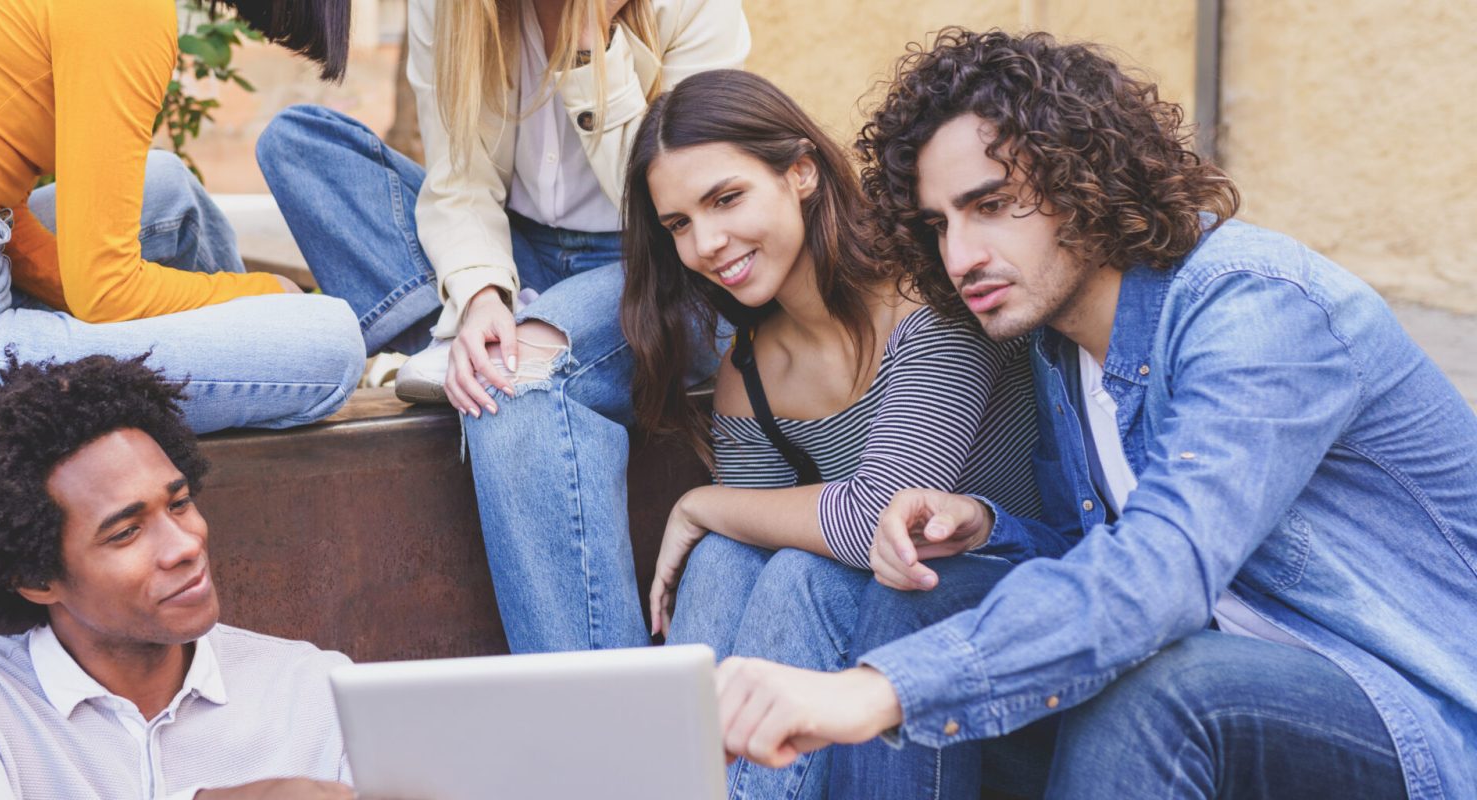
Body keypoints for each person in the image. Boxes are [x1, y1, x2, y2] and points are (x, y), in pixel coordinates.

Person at [710, 29, 1477, 799]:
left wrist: (873, 692)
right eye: (940, 224)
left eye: (994, 205)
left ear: (1088, 181)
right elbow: (1100, 554)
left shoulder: (1257, 307)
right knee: (925, 597)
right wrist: (987, 524)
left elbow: (1161, 576)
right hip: (1222, 672)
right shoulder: (1060, 350)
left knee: (1167, 692)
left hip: (1413, 709)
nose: (960, 256)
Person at [259, 0, 751, 654]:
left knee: (514, 382)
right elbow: (459, 182)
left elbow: (681, 205)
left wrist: (586, 45)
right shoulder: (453, 9)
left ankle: (602, 711)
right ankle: (493, 323)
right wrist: (482, 290)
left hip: (657, 266)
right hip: (517, 250)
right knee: (300, 143)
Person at [618, 68, 1042, 799]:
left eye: (725, 199)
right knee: (722, 560)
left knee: (799, 571)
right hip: (871, 628)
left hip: (1000, 607)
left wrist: (699, 504)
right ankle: (671, 784)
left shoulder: (933, 300)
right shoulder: (749, 369)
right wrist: (717, 520)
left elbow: (877, 516)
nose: (707, 244)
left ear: (802, 173)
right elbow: (771, 547)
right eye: (679, 225)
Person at [0, 0, 365, 453]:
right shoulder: (126, 11)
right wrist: (267, 295)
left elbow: (1, 214)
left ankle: (235, 370)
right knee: (331, 345)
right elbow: (107, 292)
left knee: (168, 187)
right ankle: (258, 363)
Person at [0, 353, 356, 799]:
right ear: (38, 579)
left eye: (180, 504)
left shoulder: (318, 692)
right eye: (126, 532)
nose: (185, 546)